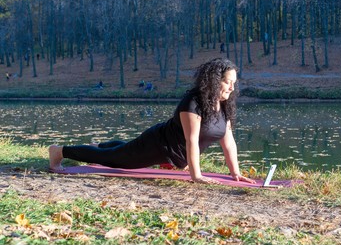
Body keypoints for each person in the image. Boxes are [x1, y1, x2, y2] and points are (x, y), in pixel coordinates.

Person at [49, 58, 255, 185]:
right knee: (114, 159)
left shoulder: (224, 105)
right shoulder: (193, 102)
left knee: (123, 149)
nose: (231, 87)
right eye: (227, 82)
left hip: (173, 157)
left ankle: (98, 146)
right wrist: (196, 176)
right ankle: (59, 151)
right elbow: (192, 140)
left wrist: (235, 173)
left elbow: (228, 143)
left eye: (233, 83)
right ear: (213, 81)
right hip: (160, 146)